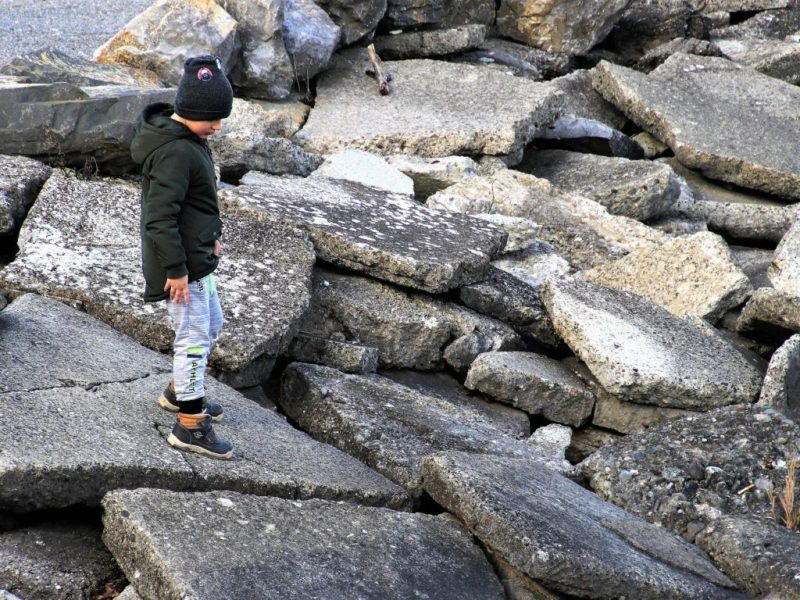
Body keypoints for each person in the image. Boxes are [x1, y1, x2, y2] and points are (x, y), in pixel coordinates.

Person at [130, 55, 234, 459]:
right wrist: (174, 270)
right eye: (212, 118)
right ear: (188, 111)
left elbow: (197, 205)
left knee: (213, 324)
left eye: (221, 117)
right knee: (192, 338)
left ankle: (179, 392)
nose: (217, 126)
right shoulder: (175, 152)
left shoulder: (193, 141)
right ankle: (189, 424)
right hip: (180, 269)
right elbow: (160, 218)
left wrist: (211, 239)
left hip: (197, 259)